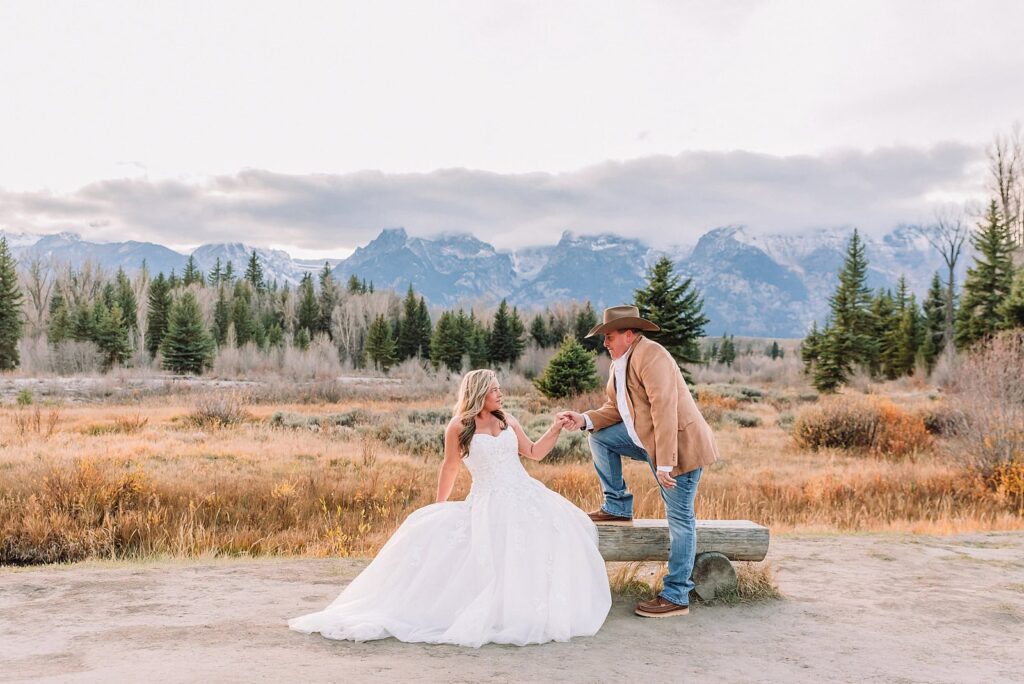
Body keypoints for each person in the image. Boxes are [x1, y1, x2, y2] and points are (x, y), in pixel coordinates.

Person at [289, 369, 611, 647]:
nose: (501, 393)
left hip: (525, 495)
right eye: (495, 389)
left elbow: (534, 452)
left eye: (500, 388)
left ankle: (526, 610)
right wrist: (440, 506)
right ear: (480, 393)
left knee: (551, 537)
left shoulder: (507, 420)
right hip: (487, 502)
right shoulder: (459, 426)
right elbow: (450, 468)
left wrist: (554, 428)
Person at [558, 305, 719, 618]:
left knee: (681, 519)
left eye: (610, 335)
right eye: (604, 336)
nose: (605, 342)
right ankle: (617, 505)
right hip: (649, 444)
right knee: (599, 436)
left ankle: (676, 596)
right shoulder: (621, 363)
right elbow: (616, 411)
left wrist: (666, 463)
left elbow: (665, 408)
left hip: (678, 447)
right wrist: (584, 419)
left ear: (628, 334)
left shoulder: (651, 355)